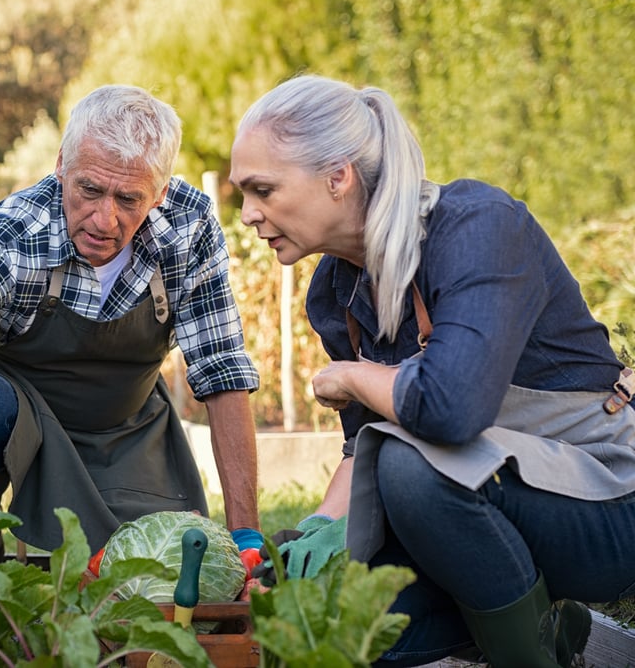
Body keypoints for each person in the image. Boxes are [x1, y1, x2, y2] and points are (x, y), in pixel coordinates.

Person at [229, 73, 635, 667]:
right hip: (485, 504)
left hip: (606, 502)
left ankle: (538, 654)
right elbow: (362, 447)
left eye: (263, 189)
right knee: (352, 625)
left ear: (338, 178)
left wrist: (349, 377)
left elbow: (451, 406)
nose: (247, 215)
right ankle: (553, 628)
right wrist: (316, 535)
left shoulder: (478, 228)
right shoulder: (335, 289)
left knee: (410, 468)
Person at [0, 84, 263, 565]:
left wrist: (247, 533)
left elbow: (222, 371)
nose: (104, 219)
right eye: (89, 190)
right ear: (62, 164)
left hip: (127, 427)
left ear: (160, 193)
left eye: (128, 198)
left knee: (149, 573)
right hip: (19, 419)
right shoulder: (16, 234)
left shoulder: (189, 226)